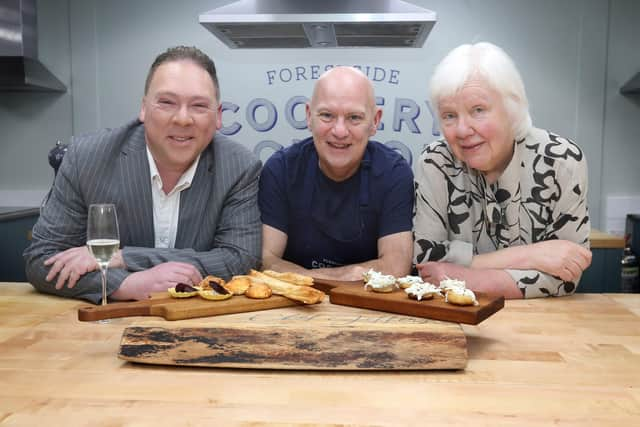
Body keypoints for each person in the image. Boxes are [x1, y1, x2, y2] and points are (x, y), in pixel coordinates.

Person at [24, 46, 262, 303]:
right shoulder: (87, 159)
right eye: (167, 102)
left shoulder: (239, 167)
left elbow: (240, 259)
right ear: (143, 109)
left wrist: (122, 257)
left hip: (202, 323)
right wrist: (125, 284)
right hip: (104, 326)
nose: (182, 119)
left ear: (218, 117)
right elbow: (42, 259)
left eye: (199, 106)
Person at [413, 42, 592, 299]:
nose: (462, 130)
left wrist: (466, 275)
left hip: (543, 323)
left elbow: (568, 273)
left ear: (513, 108)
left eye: (478, 110)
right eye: (449, 115)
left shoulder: (561, 160)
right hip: (455, 318)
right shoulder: (435, 162)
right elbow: (427, 262)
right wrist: (531, 255)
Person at [259, 66, 414, 281]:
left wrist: (305, 277)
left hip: (368, 307)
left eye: (354, 117)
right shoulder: (280, 169)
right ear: (308, 116)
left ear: (375, 121)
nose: (339, 131)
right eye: (327, 115)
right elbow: (266, 261)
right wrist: (355, 273)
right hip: (292, 305)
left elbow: (396, 266)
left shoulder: (394, 174)